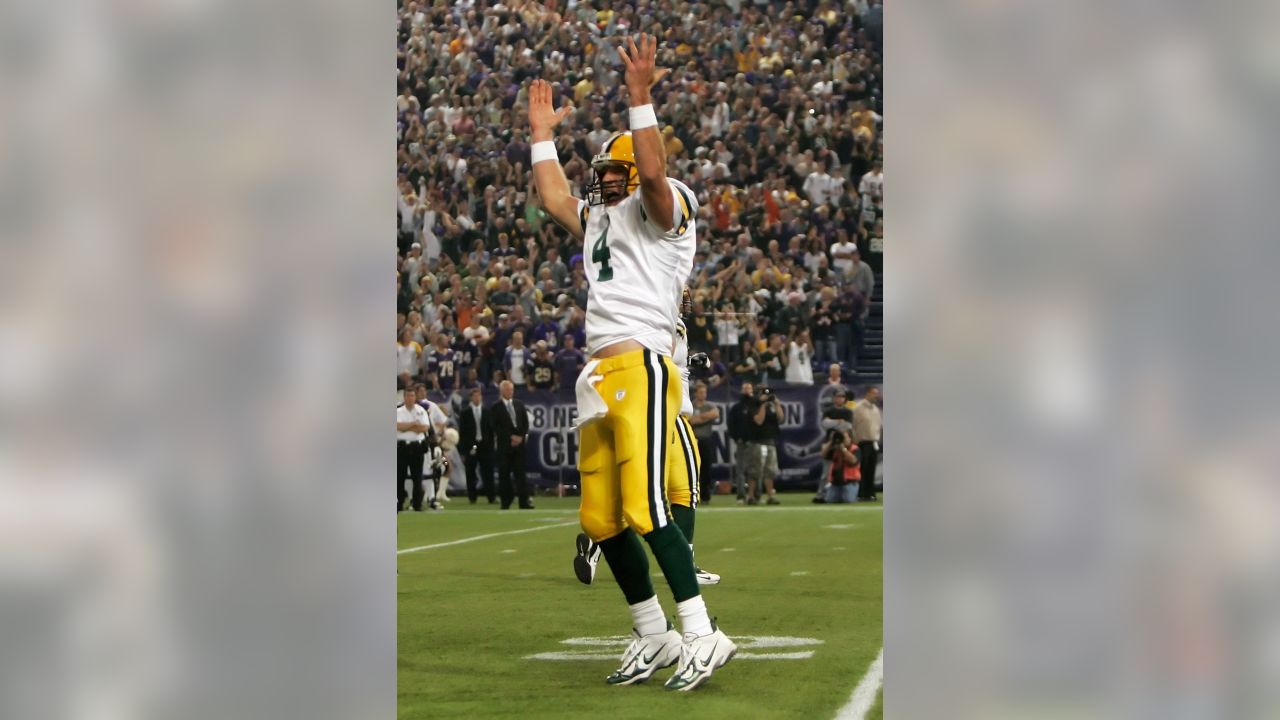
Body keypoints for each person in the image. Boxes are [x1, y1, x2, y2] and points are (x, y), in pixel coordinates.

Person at [527, 35, 734, 692]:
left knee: (649, 506)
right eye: (604, 175)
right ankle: (654, 633)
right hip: (597, 373)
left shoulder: (665, 208)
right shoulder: (598, 221)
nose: (607, 181)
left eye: (615, 173)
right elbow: (553, 194)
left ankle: (704, 634)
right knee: (601, 519)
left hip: (642, 364)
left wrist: (640, 100)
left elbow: (650, 175)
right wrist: (540, 137)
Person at [490, 380, 533, 509]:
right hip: (504, 446)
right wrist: (510, 437)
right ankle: (506, 501)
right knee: (504, 475)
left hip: (519, 446)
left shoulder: (519, 404)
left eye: (511, 390)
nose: (510, 392)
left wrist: (521, 437)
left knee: (520, 474)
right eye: (507, 390)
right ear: (502, 391)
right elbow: (495, 426)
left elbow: (525, 423)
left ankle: (524, 501)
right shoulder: (496, 407)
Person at [814, 387, 855, 503]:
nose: (840, 399)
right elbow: (824, 424)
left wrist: (832, 423)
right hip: (830, 442)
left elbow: (848, 426)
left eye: (842, 397)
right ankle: (820, 495)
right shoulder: (828, 410)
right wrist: (838, 422)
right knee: (826, 472)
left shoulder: (848, 412)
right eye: (838, 396)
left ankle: (835, 494)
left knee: (842, 470)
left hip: (844, 443)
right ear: (833, 398)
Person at [743, 386, 782, 505]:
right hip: (756, 442)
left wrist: (777, 404)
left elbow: (781, 419)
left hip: (770, 441)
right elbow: (759, 421)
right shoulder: (753, 405)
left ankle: (771, 496)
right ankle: (750, 496)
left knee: (769, 471)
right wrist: (763, 405)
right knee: (754, 471)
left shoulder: (771, 407)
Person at [458, 386, 496, 504]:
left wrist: (490, 446)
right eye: (474, 396)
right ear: (470, 398)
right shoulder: (465, 413)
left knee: (488, 472)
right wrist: (464, 451)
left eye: (479, 396)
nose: (477, 398)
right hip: (471, 447)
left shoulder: (487, 412)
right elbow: (462, 433)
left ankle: (491, 497)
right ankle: (472, 497)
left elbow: (491, 431)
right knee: (471, 473)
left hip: (485, 446)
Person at [396, 386, 430, 512]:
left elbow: (425, 428)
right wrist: (413, 424)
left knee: (417, 477)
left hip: (417, 447)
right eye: (408, 396)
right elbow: (397, 426)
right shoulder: (398, 411)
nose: (410, 398)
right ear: (404, 397)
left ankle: (417, 504)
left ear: (415, 397)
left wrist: (406, 427)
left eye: (412, 396)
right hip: (402, 447)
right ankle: (398, 503)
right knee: (400, 477)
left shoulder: (421, 411)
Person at [687, 382, 719, 504]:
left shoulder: (709, 405)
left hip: (706, 440)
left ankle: (706, 496)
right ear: (696, 393)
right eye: (701, 392)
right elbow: (691, 420)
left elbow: (715, 414)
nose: (703, 394)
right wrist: (705, 417)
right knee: (693, 468)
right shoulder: (691, 405)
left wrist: (699, 417)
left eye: (705, 392)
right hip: (693, 440)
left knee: (706, 468)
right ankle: (693, 495)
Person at [727, 382, 756, 504]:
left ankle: (754, 495)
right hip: (741, 443)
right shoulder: (737, 408)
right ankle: (740, 495)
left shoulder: (756, 406)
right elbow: (731, 424)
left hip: (755, 442)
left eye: (749, 388)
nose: (747, 390)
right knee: (740, 470)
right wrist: (736, 437)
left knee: (754, 470)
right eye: (745, 388)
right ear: (741, 390)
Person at [852, 385, 882, 501]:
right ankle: (861, 493)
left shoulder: (876, 409)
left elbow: (878, 426)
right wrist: (855, 441)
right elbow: (852, 425)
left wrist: (877, 439)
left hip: (873, 442)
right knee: (862, 469)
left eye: (877, 393)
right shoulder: (857, 407)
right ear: (867, 394)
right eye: (874, 393)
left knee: (871, 469)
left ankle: (870, 492)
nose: (876, 395)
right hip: (862, 442)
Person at [821, 428, 861, 504]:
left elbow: (853, 461)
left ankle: (855, 496)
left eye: (844, 437)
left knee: (848, 500)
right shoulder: (835, 449)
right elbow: (823, 454)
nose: (842, 439)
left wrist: (843, 449)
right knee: (830, 501)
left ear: (850, 438)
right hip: (835, 483)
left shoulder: (855, 449)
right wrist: (831, 441)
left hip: (849, 482)